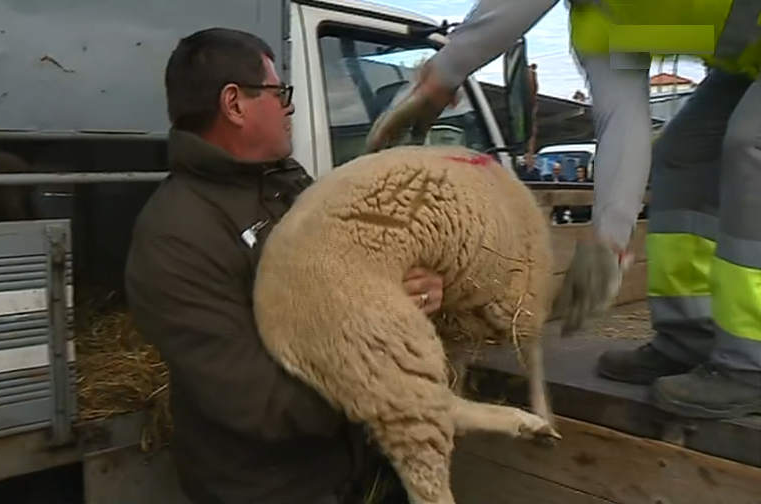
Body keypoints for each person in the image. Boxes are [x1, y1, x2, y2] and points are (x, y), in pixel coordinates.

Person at [364, 0, 761, 419]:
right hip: (748, 59)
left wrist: (440, 77)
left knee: (749, 144)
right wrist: (609, 240)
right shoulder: (600, 21)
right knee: (683, 155)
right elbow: (622, 123)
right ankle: (688, 337)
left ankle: (751, 361)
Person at [125, 27, 445, 504]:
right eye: (279, 93)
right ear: (235, 104)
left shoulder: (291, 187)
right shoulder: (175, 240)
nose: (289, 106)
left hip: (355, 465)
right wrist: (386, 361)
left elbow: (360, 282)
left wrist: (409, 292)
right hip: (276, 489)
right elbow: (261, 403)